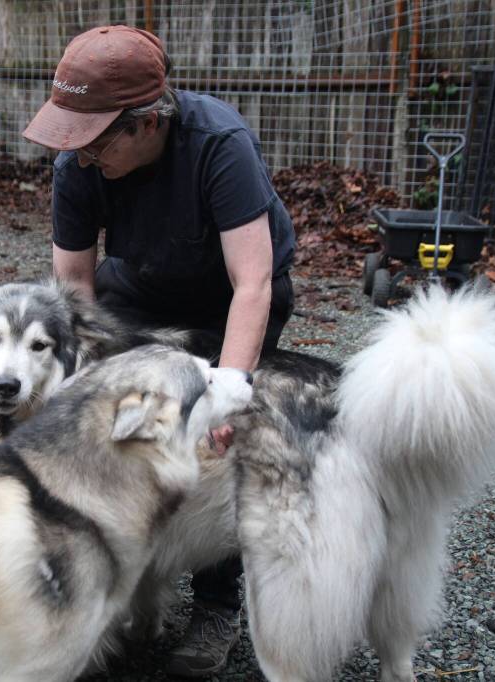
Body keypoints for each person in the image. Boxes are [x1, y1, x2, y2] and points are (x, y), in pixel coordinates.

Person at [23, 25, 295, 678]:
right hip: (140, 291)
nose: (81, 157)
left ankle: (215, 603)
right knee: (110, 429)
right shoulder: (77, 165)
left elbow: (252, 284)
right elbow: (76, 290)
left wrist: (229, 392)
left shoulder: (218, 144)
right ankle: (117, 586)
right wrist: (81, 384)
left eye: (94, 141)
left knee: (214, 443)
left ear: (148, 121)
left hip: (229, 298)